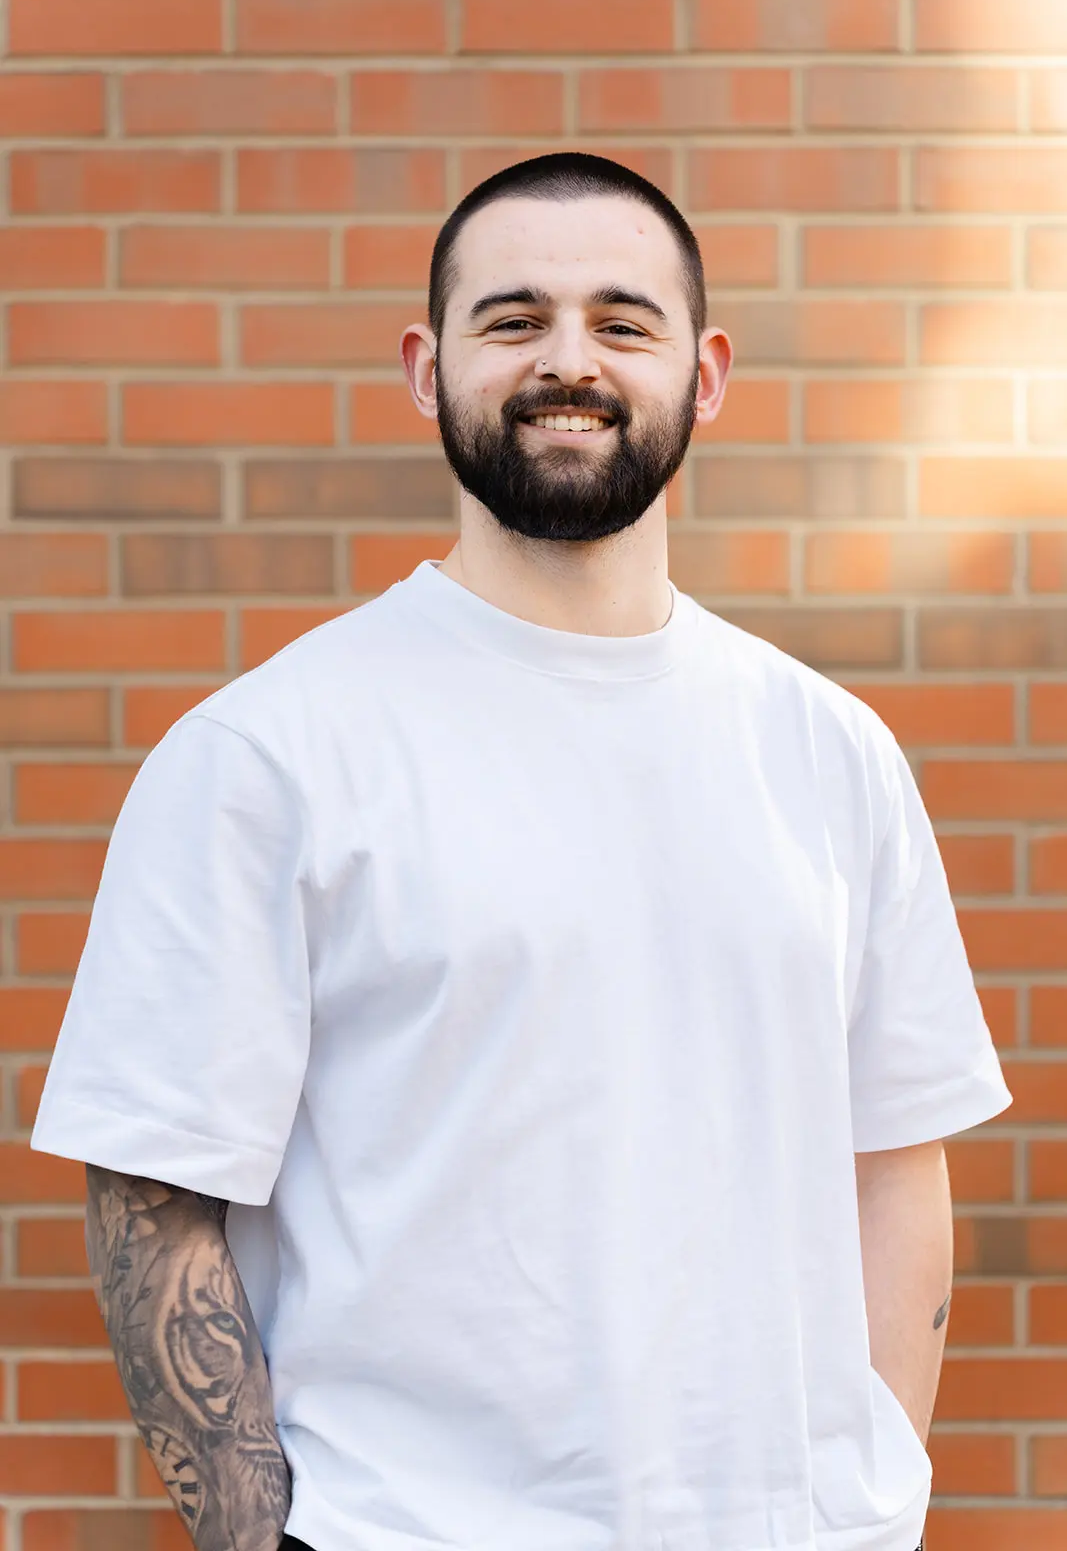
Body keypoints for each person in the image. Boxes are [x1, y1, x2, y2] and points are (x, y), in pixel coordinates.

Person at [32, 152, 1009, 1551]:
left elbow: (893, 1158)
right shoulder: (269, 752)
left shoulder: (828, 748)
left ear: (706, 374)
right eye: (513, 320)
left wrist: (871, 1494)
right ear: (428, 370)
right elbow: (151, 1199)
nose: (568, 361)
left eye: (621, 321)